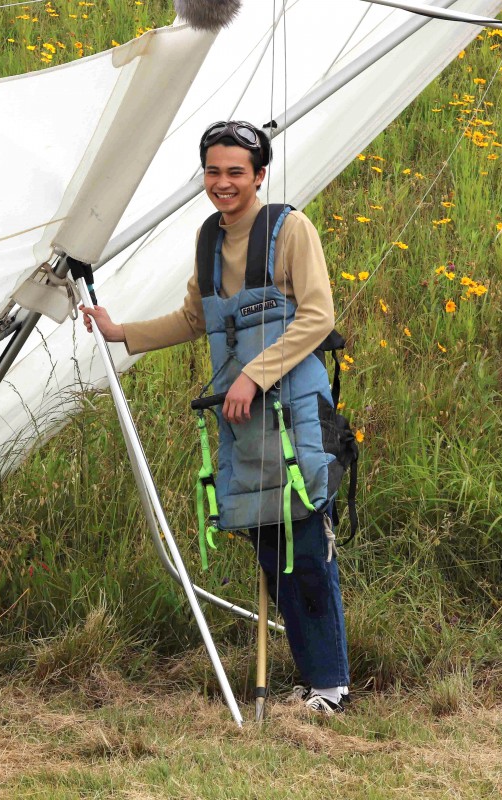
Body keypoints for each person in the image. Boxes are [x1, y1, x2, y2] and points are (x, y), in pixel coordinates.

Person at [80, 120, 351, 715]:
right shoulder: (208, 239)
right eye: (213, 171)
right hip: (243, 419)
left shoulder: (290, 229)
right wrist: (122, 332)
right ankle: (313, 682)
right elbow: (196, 319)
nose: (223, 183)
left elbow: (317, 316)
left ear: (259, 175)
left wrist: (256, 375)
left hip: (296, 409)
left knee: (306, 543)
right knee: (269, 544)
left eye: (236, 172)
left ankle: (330, 683)